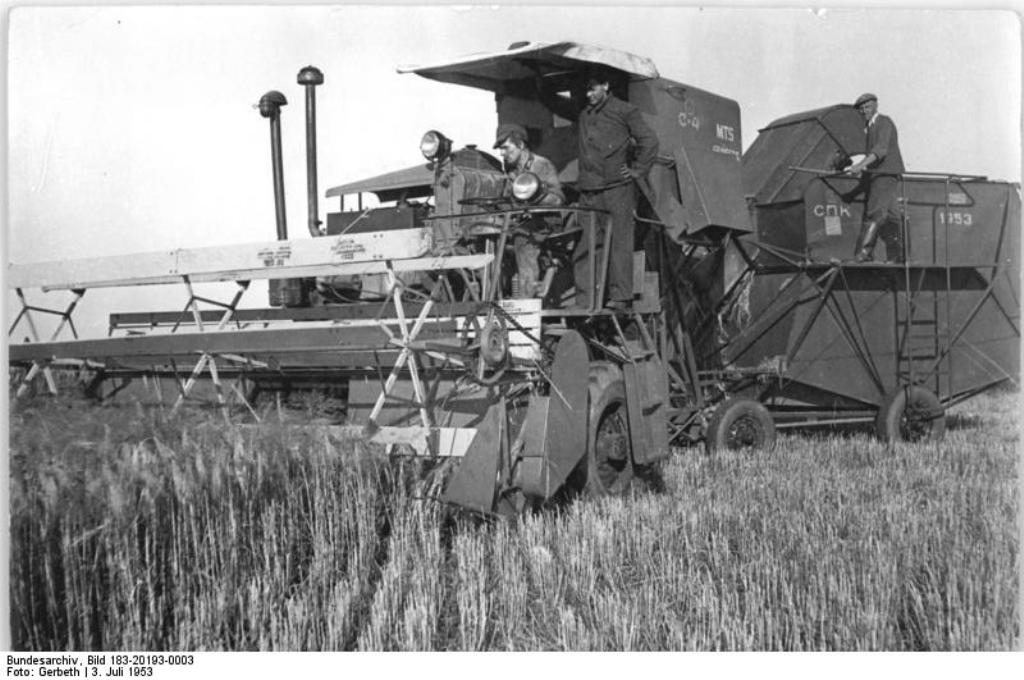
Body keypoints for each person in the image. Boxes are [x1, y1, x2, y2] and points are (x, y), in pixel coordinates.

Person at [541, 69, 659, 309]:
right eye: (585, 90)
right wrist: (537, 79)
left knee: (619, 243)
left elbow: (650, 141)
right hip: (589, 191)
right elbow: (555, 103)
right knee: (586, 245)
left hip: (617, 190)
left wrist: (637, 170)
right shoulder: (583, 112)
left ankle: (620, 298)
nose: (588, 94)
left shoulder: (625, 111)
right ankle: (586, 300)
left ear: (605, 85)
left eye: (592, 88)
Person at [493, 122, 565, 297]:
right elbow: (508, 198)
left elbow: (558, 200)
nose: (502, 153)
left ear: (521, 145)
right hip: (521, 221)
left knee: (522, 239)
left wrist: (536, 196)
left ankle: (527, 301)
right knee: (491, 235)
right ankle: (497, 296)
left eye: (506, 148)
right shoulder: (510, 168)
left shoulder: (541, 165)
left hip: (546, 222)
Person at [845, 93, 906, 262]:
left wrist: (860, 165)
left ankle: (864, 254)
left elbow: (881, 150)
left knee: (874, 212)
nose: (864, 111)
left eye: (867, 107)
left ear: (876, 106)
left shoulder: (883, 122)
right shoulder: (870, 127)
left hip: (885, 174)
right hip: (882, 174)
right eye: (862, 109)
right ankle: (898, 257)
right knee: (893, 216)